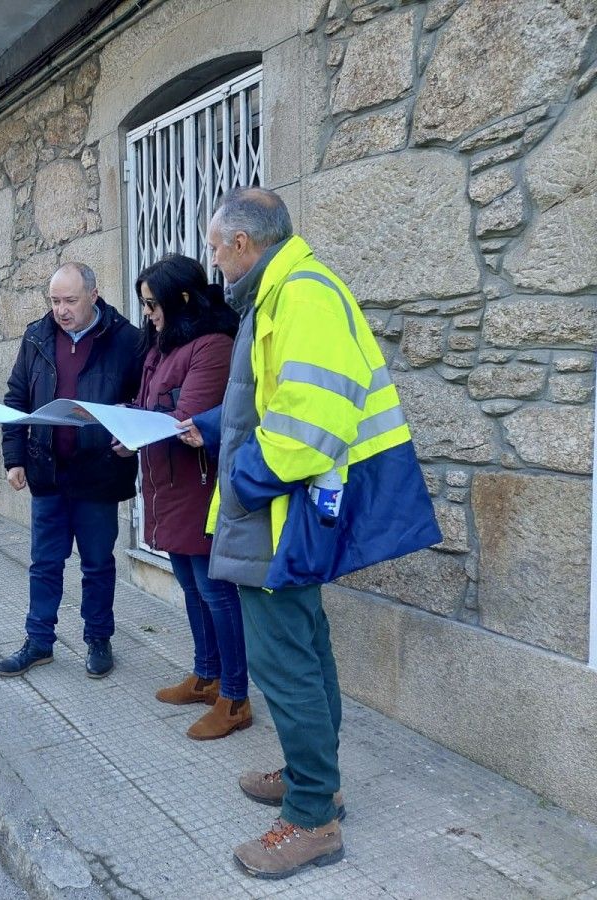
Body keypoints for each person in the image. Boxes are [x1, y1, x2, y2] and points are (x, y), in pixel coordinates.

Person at [176, 188, 441, 879]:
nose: (214, 262)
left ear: (240, 243)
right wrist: (207, 431)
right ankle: (312, 776)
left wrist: (240, 481)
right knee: (303, 646)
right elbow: (262, 402)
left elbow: (307, 423)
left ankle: (312, 817)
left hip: (278, 511)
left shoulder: (301, 294)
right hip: (280, 508)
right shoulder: (284, 289)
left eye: (214, 247)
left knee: (285, 660)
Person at [115, 254, 247, 741]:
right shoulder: (162, 345)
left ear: (182, 299)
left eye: (153, 303)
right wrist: (117, 420)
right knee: (191, 588)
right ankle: (206, 675)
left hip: (198, 485)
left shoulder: (212, 345)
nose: (147, 313)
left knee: (216, 591)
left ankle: (235, 697)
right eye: (144, 303)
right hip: (165, 483)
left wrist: (135, 425)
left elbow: (184, 417)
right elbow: (150, 406)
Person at [0, 262, 142, 679]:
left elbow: (145, 400)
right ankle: (38, 640)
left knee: (97, 564)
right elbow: (16, 397)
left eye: (70, 301)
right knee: (44, 563)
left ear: (93, 295)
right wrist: (14, 457)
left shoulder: (126, 340)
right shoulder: (36, 336)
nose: (61, 310)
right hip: (48, 472)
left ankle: (98, 639)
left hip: (98, 472)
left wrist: (128, 433)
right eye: (55, 301)